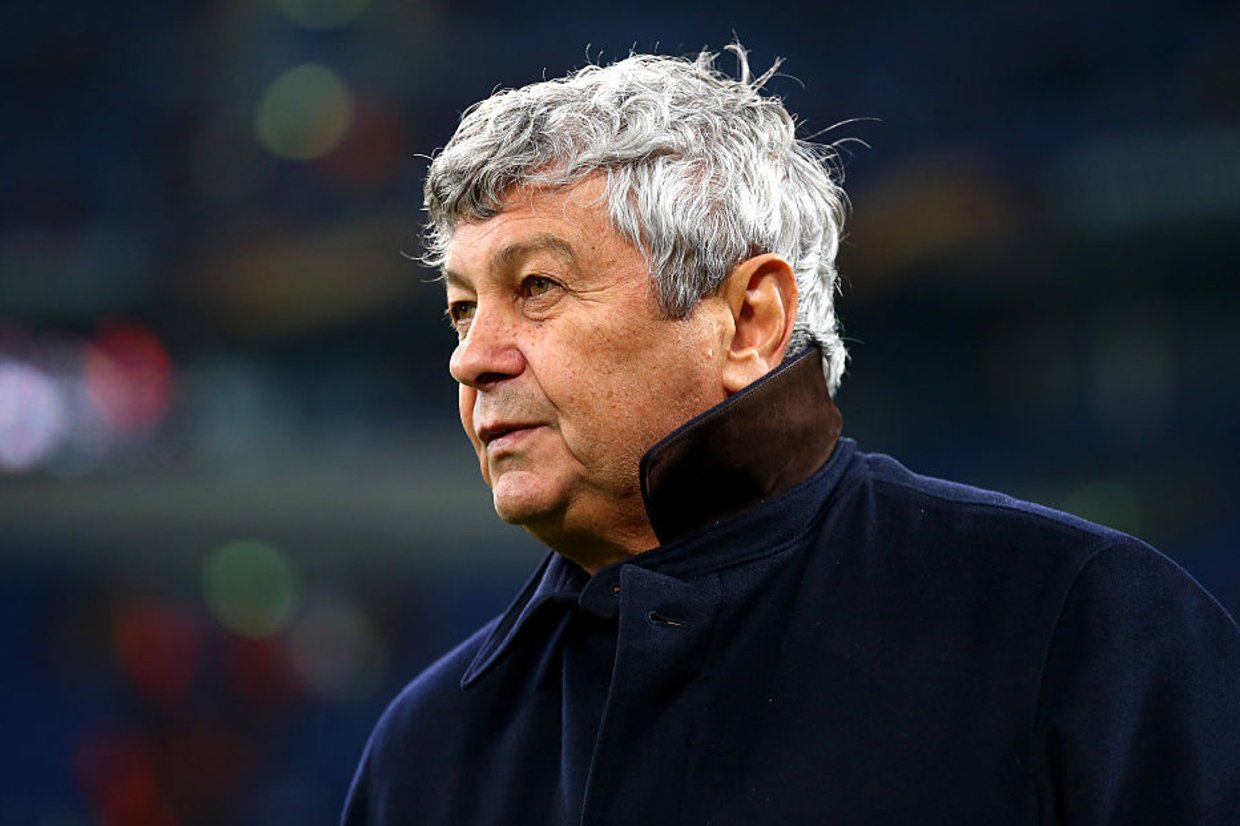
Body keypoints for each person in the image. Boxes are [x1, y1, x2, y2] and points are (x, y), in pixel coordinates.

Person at [342, 46, 1240, 825]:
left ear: (749, 321)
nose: (471, 359)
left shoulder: (1083, 627)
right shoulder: (428, 748)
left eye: (537, 287)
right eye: (462, 310)